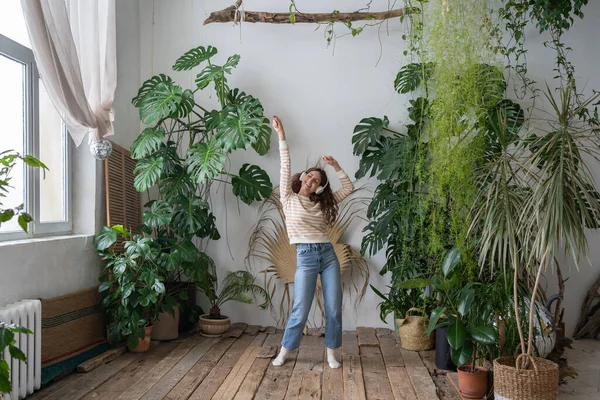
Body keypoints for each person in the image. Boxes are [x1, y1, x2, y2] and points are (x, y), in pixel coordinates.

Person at [270, 115, 355, 369]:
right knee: (300, 308)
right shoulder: (288, 197)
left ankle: (331, 354)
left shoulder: (322, 203)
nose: (310, 181)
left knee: (333, 308)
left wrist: (337, 166)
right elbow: (285, 163)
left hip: (328, 255)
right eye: (309, 176)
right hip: (305, 256)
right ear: (303, 176)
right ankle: (284, 352)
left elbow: (348, 188)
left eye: (316, 181)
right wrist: (281, 135)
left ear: (319, 188)